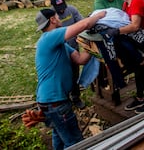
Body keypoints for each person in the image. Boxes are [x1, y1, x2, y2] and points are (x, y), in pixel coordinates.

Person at [34, 8, 106, 149]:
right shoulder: (50, 37)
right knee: (75, 143)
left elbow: (81, 59)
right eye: (57, 15)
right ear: (53, 20)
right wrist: (98, 16)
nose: (59, 17)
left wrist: (93, 44)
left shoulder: (60, 45)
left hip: (52, 103)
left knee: (60, 140)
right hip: (55, 103)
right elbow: (83, 25)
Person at [50, 0, 85, 109]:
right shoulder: (51, 17)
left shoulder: (71, 10)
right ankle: (64, 98)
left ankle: (76, 97)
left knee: (75, 74)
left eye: (63, 7)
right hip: (60, 50)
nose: (61, 11)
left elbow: (81, 23)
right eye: (58, 9)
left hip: (73, 47)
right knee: (63, 75)